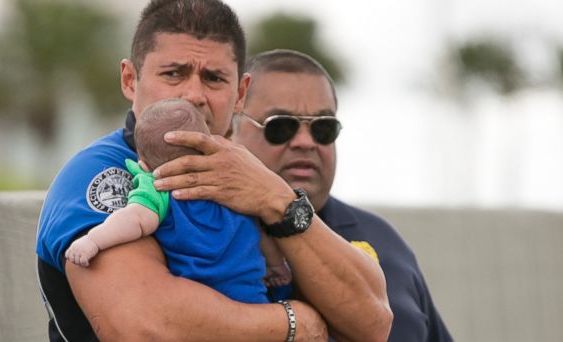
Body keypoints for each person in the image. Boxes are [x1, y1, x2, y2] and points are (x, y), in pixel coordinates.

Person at [36, 1, 392, 341]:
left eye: (214, 78)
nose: (194, 94)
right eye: (173, 74)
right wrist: (296, 324)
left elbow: (373, 323)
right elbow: (146, 327)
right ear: (130, 80)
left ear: (240, 93)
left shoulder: (257, 177)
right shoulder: (102, 173)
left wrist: (278, 201)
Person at [230, 49, 453, 342]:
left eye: (323, 128)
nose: (305, 142)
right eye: (281, 126)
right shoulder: (196, 236)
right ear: (229, 131)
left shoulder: (384, 241)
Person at [64, 98, 291, 298]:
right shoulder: (232, 184)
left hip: (202, 298)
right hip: (251, 294)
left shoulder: (158, 187)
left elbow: (135, 220)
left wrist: (93, 241)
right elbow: (261, 230)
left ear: (143, 164)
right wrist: (276, 265)